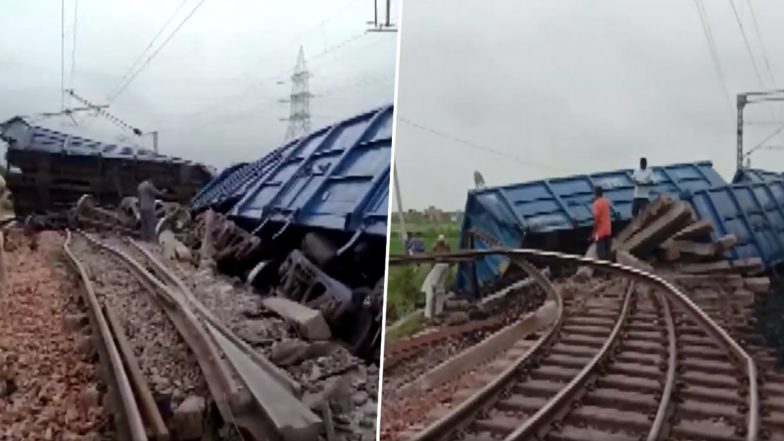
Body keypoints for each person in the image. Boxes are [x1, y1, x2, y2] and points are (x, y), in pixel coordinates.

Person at [592, 185, 613, 261]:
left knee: (600, 253)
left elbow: (596, 220)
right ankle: (610, 270)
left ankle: (604, 271)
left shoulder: (596, 204)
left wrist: (594, 232)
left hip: (600, 232)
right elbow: (610, 207)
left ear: (595, 193)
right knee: (608, 251)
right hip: (608, 230)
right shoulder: (607, 201)